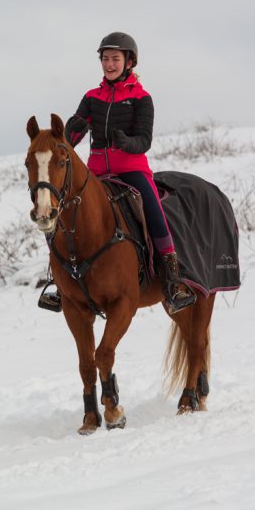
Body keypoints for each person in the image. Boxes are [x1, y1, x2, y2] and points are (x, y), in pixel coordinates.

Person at [65, 32, 196, 313]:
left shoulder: (141, 99)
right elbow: (72, 136)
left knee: (153, 211)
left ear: (129, 62)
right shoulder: (91, 97)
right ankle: (57, 281)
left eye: (115, 59)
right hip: (97, 173)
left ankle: (172, 279)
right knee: (64, 211)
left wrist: (126, 143)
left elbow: (144, 141)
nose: (109, 64)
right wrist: (72, 128)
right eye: (105, 59)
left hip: (131, 171)